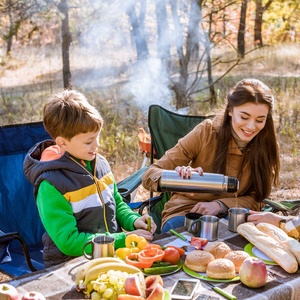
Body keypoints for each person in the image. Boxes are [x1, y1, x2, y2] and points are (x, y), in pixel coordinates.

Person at [23, 90, 156, 267]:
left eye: (97, 136)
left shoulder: (99, 163)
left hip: (110, 254)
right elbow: (69, 241)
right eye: (88, 141)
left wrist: (133, 220)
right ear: (62, 143)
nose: (97, 145)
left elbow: (116, 203)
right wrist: (123, 239)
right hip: (70, 264)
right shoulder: (51, 184)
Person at [142, 78, 280, 233]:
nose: (251, 126)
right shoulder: (206, 133)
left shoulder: (266, 146)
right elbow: (149, 175)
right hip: (188, 212)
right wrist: (176, 178)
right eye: (244, 117)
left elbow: (257, 199)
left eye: (260, 120)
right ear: (230, 111)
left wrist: (220, 205)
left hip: (234, 215)